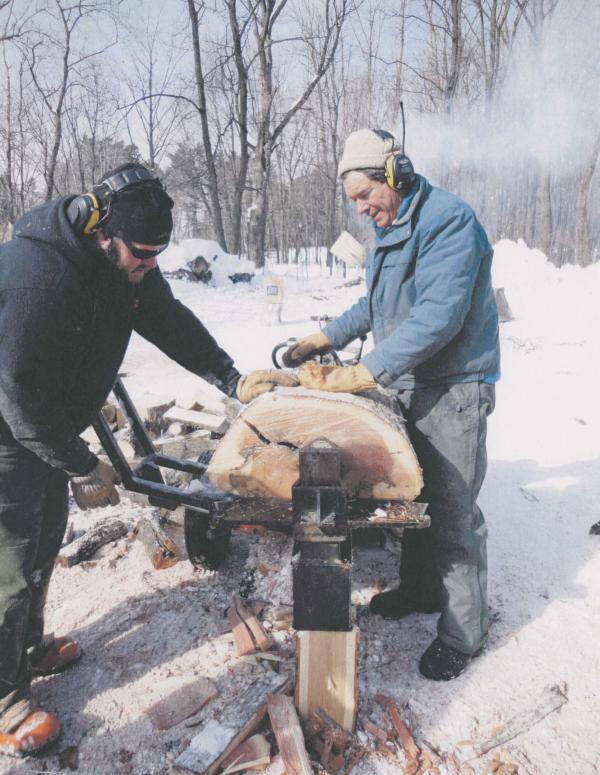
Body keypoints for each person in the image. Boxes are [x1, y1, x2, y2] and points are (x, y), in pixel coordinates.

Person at [0, 163, 293, 757]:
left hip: (46, 420)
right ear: (100, 229)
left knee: (46, 534)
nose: (150, 266)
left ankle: (25, 650)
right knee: (8, 556)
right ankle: (4, 699)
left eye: (158, 255)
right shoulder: (37, 274)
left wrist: (232, 378)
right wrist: (82, 463)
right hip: (9, 427)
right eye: (142, 255)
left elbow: (168, 321)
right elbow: (17, 392)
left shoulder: (127, 262)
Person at [284, 128, 500, 681]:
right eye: (353, 200)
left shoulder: (449, 222)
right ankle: (422, 591)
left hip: (453, 388)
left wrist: (365, 371)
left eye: (365, 195)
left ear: (395, 175)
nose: (361, 209)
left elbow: (439, 316)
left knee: (453, 515)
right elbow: (377, 304)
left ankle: (465, 633)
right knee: (416, 499)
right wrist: (326, 337)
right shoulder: (391, 226)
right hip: (410, 383)